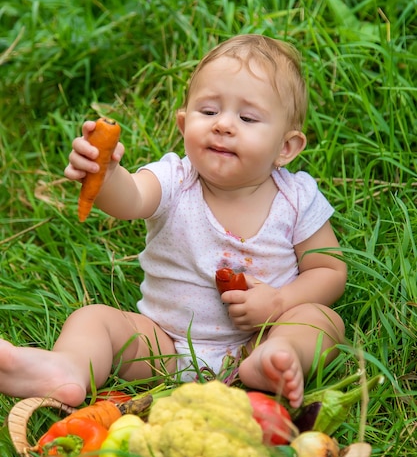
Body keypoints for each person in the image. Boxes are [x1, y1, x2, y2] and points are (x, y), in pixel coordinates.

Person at [0, 34, 346, 409]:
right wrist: (106, 173)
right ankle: (67, 369)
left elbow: (328, 269)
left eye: (246, 117)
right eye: (209, 111)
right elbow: (130, 198)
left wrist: (280, 302)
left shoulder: (297, 199)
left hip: (259, 338)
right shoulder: (175, 180)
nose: (223, 125)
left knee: (321, 320)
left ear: (286, 147)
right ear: (183, 124)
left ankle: (275, 361)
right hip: (164, 345)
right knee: (94, 320)